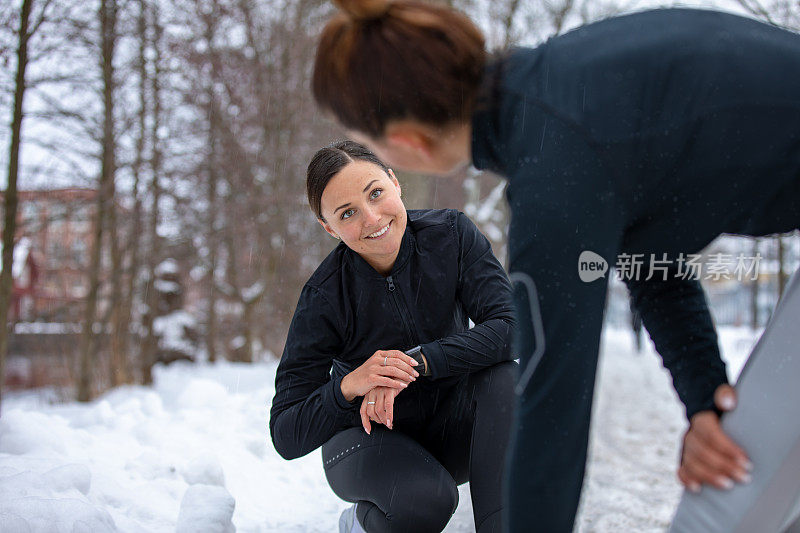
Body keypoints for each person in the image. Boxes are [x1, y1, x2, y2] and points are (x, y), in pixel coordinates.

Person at [311, 3, 800, 531]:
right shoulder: (564, 85)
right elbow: (653, 252)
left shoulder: (555, 172)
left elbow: (552, 420)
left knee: (743, 500)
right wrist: (704, 398)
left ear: (405, 143)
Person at [269, 140, 517, 533]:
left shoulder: (450, 236)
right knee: (427, 501)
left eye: (375, 193)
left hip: (454, 429)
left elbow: (512, 328)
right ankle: (362, 522)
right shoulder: (324, 297)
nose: (371, 218)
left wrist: (415, 363)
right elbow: (286, 430)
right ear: (329, 227)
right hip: (369, 443)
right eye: (347, 212)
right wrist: (350, 385)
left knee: (508, 380)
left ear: (394, 182)